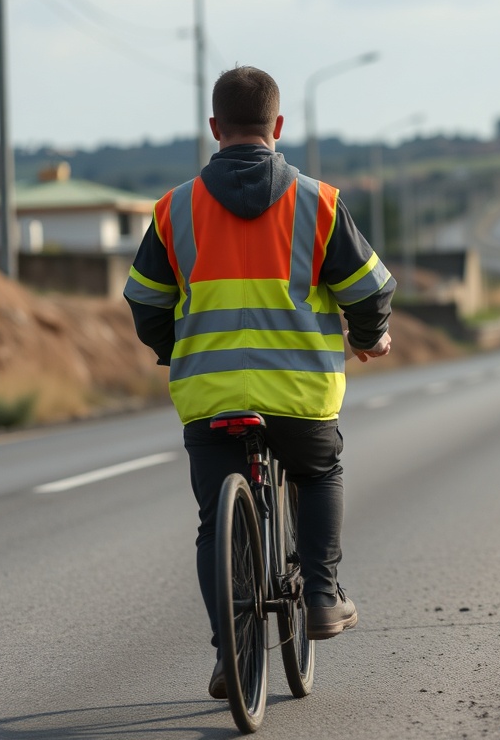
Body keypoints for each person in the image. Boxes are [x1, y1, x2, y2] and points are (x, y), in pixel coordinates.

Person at [123, 65, 395, 699]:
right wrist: (364, 337)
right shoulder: (318, 203)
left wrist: (179, 351)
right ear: (277, 126)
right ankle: (323, 598)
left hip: (212, 398)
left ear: (214, 128)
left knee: (213, 520)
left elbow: (144, 304)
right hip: (301, 397)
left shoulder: (174, 209)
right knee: (319, 471)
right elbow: (370, 290)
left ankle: (230, 657)